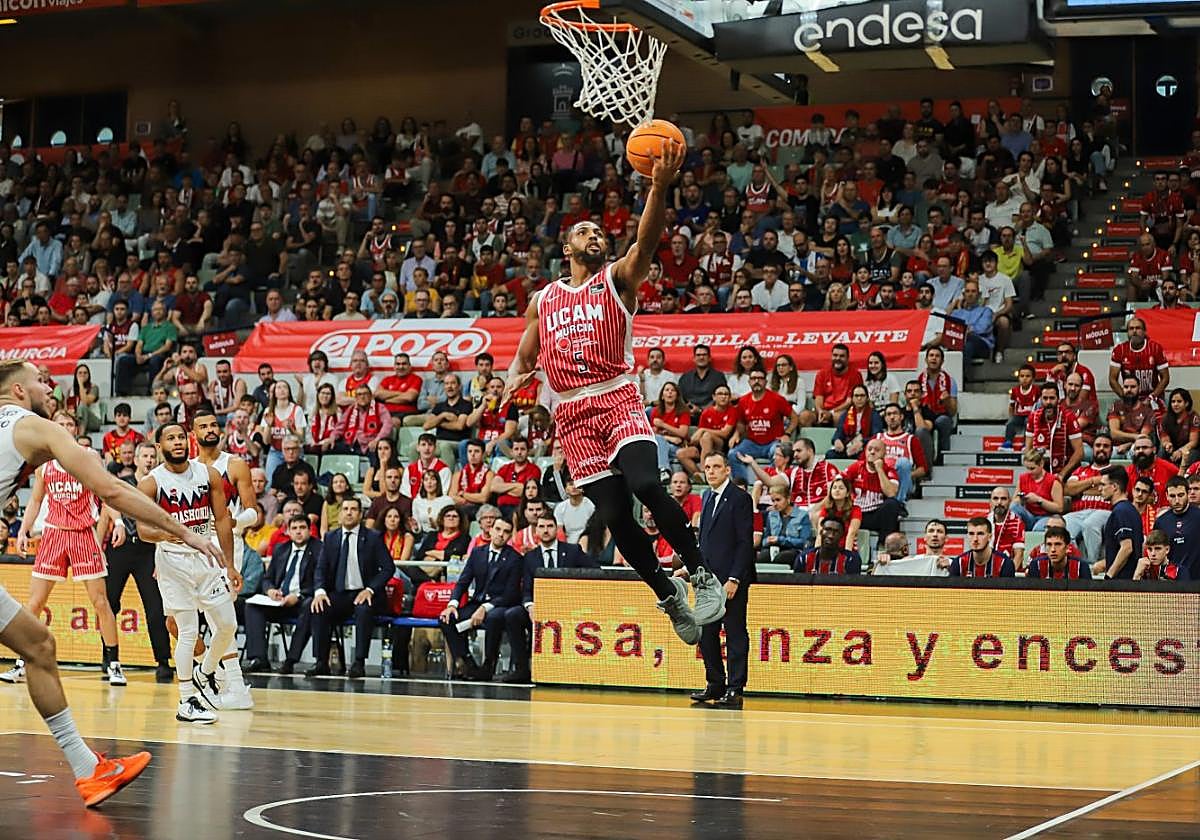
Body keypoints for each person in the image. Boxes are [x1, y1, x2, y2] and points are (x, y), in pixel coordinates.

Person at [503, 139, 724, 645]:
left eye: (600, 231)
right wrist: (516, 374)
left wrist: (657, 189)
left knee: (647, 485)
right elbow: (525, 355)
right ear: (567, 249)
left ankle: (701, 574)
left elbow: (644, 245)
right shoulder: (545, 299)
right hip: (573, 414)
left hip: (618, 396)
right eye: (585, 231)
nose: (595, 235)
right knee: (615, 515)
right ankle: (669, 598)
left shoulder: (617, 280)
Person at [3, 412, 127, 687]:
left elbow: (106, 493)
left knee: (100, 603)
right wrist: (24, 529)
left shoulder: (89, 458)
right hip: (54, 535)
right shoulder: (44, 464)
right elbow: (35, 501)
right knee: (34, 603)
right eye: (60, 424)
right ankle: (22, 663)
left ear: (75, 428)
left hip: (83, 534)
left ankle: (114, 663)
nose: (65, 428)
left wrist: (117, 522)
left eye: (69, 424)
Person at [137, 421, 240, 725]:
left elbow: (222, 519)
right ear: (160, 447)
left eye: (181, 437)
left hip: (206, 559)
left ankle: (204, 671)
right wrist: (163, 535)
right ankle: (186, 700)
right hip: (172, 562)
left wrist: (230, 564)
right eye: (170, 438)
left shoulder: (208, 475)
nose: (178, 442)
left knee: (227, 625)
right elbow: (142, 529)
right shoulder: (151, 483)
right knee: (187, 629)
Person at [193, 409, 260, 710]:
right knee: (173, 621)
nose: (209, 429)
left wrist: (234, 522)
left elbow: (254, 512)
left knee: (219, 618)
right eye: (202, 426)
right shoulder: (187, 468)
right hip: (191, 547)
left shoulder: (234, 464)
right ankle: (216, 675)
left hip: (226, 545)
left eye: (213, 425)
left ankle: (234, 684)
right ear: (193, 433)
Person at [104, 441, 174, 682]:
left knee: (155, 606)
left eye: (152, 456)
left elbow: (165, 521)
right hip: (121, 547)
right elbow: (108, 504)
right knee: (109, 602)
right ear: (135, 459)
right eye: (144, 456)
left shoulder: (160, 486)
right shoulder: (123, 483)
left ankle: (163, 661)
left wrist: (162, 553)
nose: (149, 460)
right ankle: (110, 657)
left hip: (148, 550)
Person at [690, 453, 753, 709]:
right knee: (707, 633)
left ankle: (735, 688)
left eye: (716, 467)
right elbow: (704, 541)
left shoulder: (740, 498)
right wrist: (693, 569)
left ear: (727, 470)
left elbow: (744, 543)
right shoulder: (706, 497)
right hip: (708, 581)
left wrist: (735, 578)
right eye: (707, 467)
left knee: (735, 633)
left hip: (730, 580)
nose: (711, 471)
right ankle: (715, 682)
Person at [503, 513, 596, 683]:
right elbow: (526, 590)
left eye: (549, 526)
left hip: (570, 607)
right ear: (536, 530)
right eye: (542, 527)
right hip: (539, 607)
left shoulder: (572, 551)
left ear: (556, 529)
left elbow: (595, 572)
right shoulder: (530, 557)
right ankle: (522, 668)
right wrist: (530, 606)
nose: (546, 531)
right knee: (512, 615)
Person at [307, 498, 393, 679]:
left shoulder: (373, 537)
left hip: (366, 592)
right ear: (339, 514)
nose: (349, 512)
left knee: (363, 610)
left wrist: (370, 589)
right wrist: (320, 592)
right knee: (319, 607)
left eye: (353, 509)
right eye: (345, 509)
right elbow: (320, 569)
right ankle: (321, 662)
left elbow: (388, 568)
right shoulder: (331, 537)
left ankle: (359, 662)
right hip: (340, 593)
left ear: (360, 514)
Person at [438, 517, 523, 680]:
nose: (501, 535)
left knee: (494, 617)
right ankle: (466, 661)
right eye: (498, 530)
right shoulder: (477, 553)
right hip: (476, 602)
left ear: (510, 536)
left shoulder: (515, 558)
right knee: (446, 618)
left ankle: (488, 665)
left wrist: (485, 608)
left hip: (500, 604)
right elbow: (463, 582)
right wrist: (452, 604)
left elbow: (510, 593)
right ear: (490, 531)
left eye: (506, 532)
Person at [242, 516, 320, 675]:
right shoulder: (281, 549)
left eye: (302, 528)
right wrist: (270, 590)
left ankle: (290, 660)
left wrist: (298, 596)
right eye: (294, 528)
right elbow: (267, 579)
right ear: (288, 532)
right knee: (252, 606)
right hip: (279, 600)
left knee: (309, 605)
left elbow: (321, 581)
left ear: (309, 530)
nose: (298, 531)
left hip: (302, 600)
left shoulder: (319, 549)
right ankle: (259, 658)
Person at [1064, 434, 1114, 564]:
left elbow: (1116, 492)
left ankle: (1092, 565)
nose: (1101, 449)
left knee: (1090, 524)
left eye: (1106, 446)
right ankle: (1077, 563)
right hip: (1079, 512)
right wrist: (1094, 481)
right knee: (1063, 524)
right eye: (1098, 445)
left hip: (1105, 511)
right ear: (1093, 449)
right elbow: (1068, 489)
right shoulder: (1081, 470)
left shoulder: (1116, 471)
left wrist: (1082, 488)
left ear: (1111, 451)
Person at [1097, 466, 1142, 579]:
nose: (1099, 489)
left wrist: (1109, 575)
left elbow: (1127, 548)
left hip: (1122, 582)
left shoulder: (1121, 511)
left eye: (1103, 484)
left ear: (1114, 487)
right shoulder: (1130, 509)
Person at [1152, 475, 1200, 581]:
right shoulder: (1161, 522)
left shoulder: (1198, 516)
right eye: (1172, 496)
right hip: (1170, 582)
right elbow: (1154, 550)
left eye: (1181, 495)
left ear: (1188, 494)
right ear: (1167, 496)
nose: (1177, 500)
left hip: (1196, 581)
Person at [756, 482, 812, 566]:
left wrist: (780, 540)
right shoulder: (771, 515)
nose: (775, 504)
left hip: (794, 550)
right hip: (773, 548)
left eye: (778, 500)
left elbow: (805, 542)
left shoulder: (802, 515)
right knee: (762, 557)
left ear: (788, 498)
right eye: (773, 501)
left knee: (783, 557)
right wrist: (767, 541)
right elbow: (764, 540)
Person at [947, 517, 1016, 577]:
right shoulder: (958, 563)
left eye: (980, 534)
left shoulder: (1004, 564)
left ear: (990, 537)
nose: (975, 539)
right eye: (971, 534)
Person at [793, 518, 861, 574]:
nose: (831, 535)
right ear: (821, 532)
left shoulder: (851, 560)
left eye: (836, 532)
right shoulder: (804, 558)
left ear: (842, 535)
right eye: (828, 530)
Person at [1025, 525, 1091, 579]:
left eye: (1058, 544)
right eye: (1049, 544)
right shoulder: (1037, 565)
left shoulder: (1081, 566)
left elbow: (1088, 594)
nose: (1053, 549)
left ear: (1067, 547)